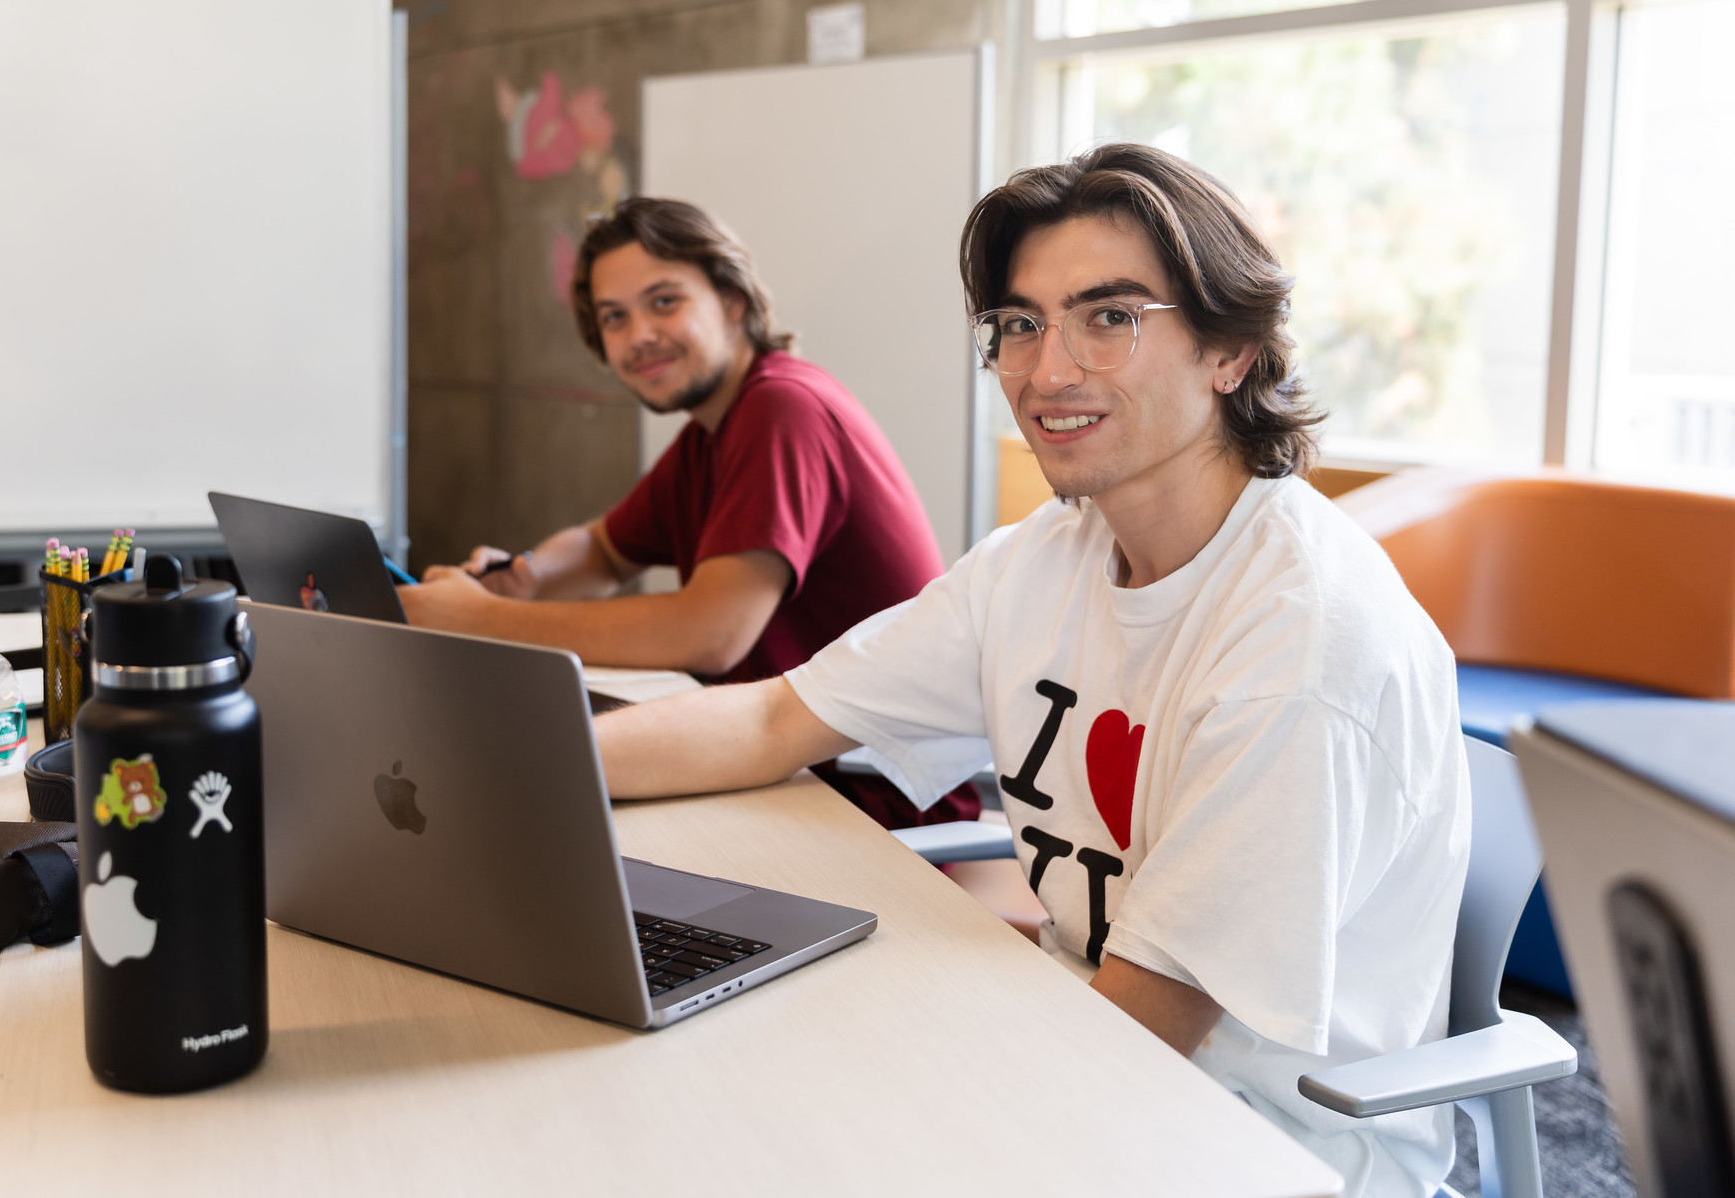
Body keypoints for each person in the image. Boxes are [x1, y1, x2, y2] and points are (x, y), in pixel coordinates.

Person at [588, 147, 1470, 1198]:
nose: (1046, 372)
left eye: (1109, 318)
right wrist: (512, 771)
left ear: (1228, 349)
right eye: (1018, 325)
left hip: (1259, 1135)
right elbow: (773, 719)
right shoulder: (1044, 557)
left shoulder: (1297, 644)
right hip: (1077, 1034)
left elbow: (1151, 1027)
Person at [398, 196, 980, 829]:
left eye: (664, 301)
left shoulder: (783, 410)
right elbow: (602, 549)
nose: (639, 335)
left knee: (514, 817)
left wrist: (486, 619)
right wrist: (530, 576)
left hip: (868, 814)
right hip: (783, 778)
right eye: (614, 317)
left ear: (732, 300)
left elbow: (710, 632)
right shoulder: (712, 433)